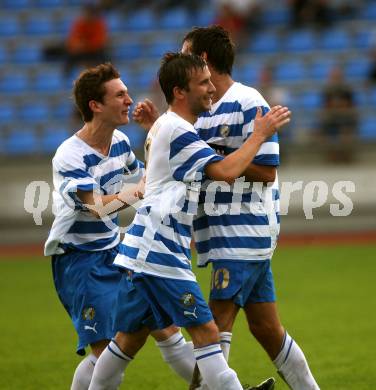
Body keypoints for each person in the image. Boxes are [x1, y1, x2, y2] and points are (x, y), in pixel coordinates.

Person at [89, 52, 290, 390]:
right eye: (204, 83)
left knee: (128, 340)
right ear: (180, 91)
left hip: (147, 248)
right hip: (159, 251)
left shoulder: (171, 128)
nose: (212, 89)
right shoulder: (178, 131)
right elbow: (225, 172)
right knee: (207, 332)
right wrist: (259, 134)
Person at [134, 25, 319, 390]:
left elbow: (266, 171)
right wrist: (159, 125)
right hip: (218, 231)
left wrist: (220, 156)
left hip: (243, 231)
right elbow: (190, 154)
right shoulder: (199, 106)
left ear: (202, 59)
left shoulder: (249, 102)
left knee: (213, 323)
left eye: (186, 51)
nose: (181, 56)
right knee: (267, 329)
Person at [44, 62, 182, 390]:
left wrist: (154, 130)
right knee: (106, 350)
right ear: (96, 105)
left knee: (163, 325)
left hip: (114, 252)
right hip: (80, 260)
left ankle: (218, 385)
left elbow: (148, 175)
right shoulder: (70, 155)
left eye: (127, 93)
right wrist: (140, 189)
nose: (129, 100)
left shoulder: (119, 141)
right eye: (120, 95)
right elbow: (96, 208)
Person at [319, 65, 358, 163]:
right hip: (332, 117)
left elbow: (349, 105)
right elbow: (326, 106)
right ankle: (332, 157)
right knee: (323, 129)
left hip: (345, 117)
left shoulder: (347, 89)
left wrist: (337, 105)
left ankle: (346, 157)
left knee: (346, 130)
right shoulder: (327, 90)